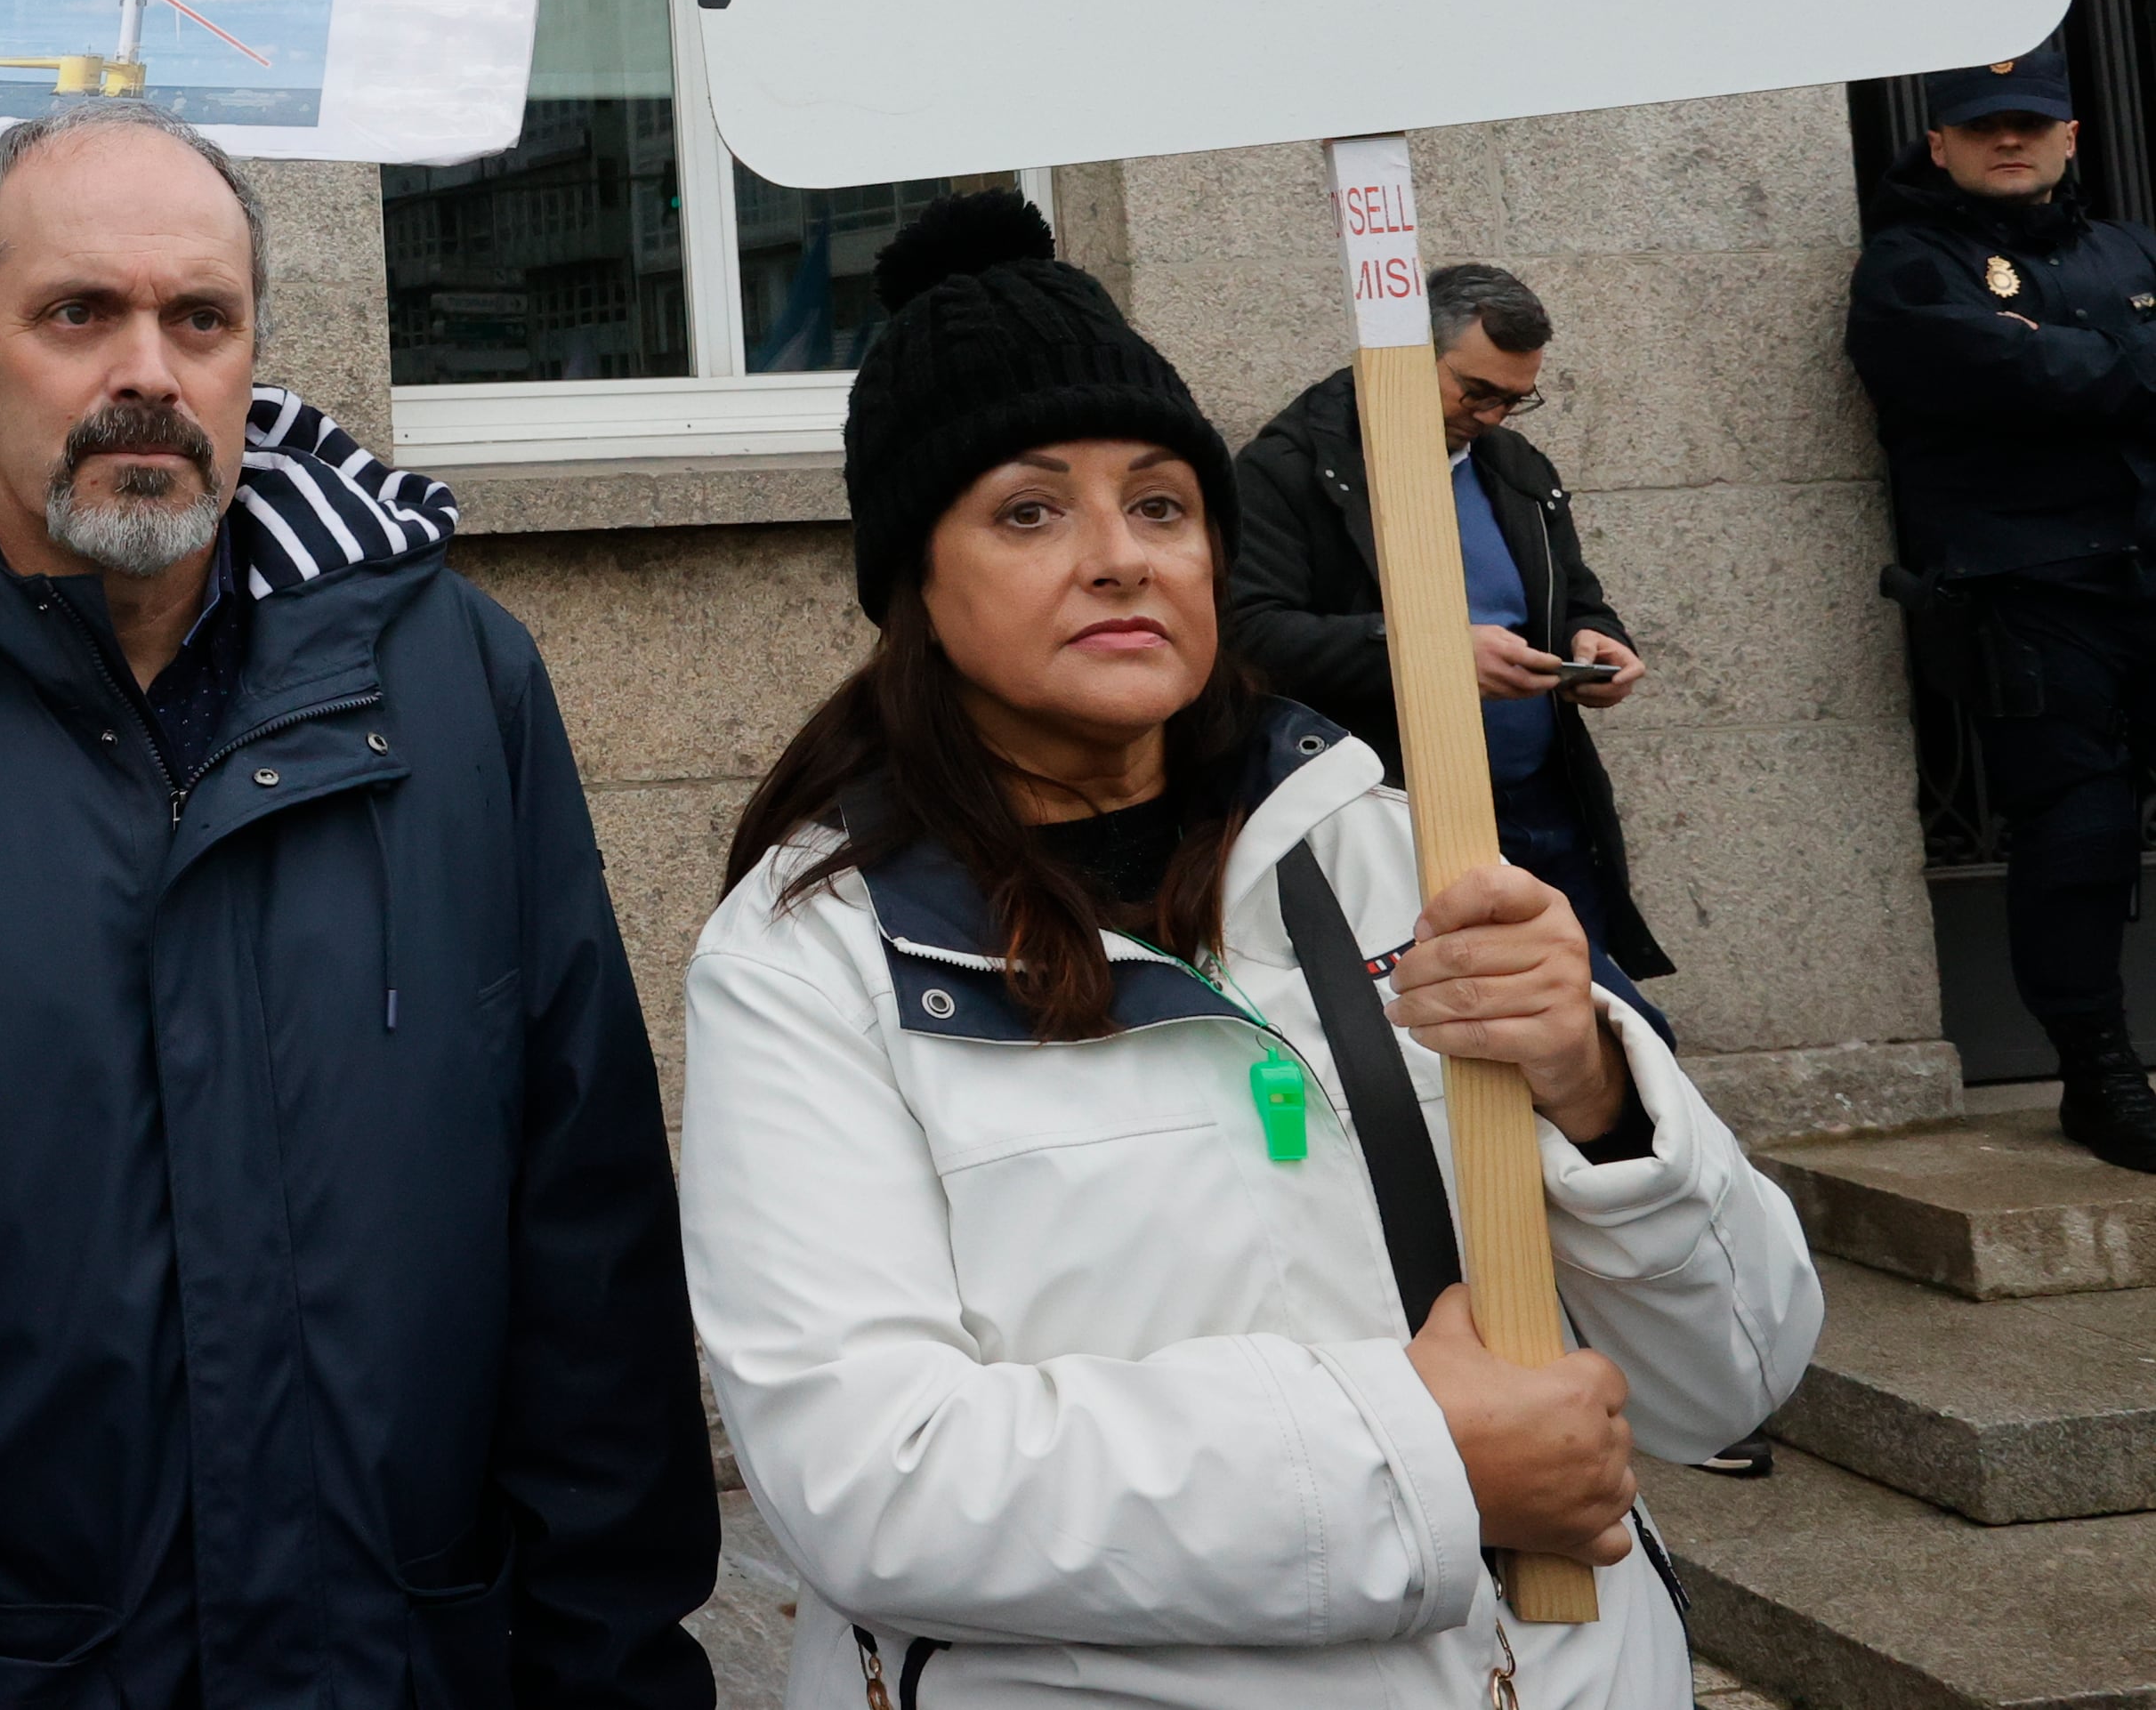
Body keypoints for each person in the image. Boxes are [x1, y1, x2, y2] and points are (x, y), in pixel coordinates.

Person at [0, 96, 715, 1710]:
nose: (147, 371)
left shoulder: (458, 699)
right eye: (78, 311)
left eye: (200, 317)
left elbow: (587, 1254)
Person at [685, 191, 1818, 1710]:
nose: (1120, 557)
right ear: (917, 586)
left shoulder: (1402, 855)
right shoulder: (810, 955)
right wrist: (1426, 1456)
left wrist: (1596, 1095)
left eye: (1162, 505)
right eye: (1030, 510)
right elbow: (872, 1477)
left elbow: (1724, 1379)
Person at [1849, 39, 2156, 1172]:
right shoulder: (1906, 266)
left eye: (2029, 123)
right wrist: (2112, 363)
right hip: (2027, 601)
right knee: (2077, 838)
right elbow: (1996, 374)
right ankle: (2098, 1077)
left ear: (2070, 135)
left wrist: (2076, 357)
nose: (2009, 141)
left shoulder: (2121, 248)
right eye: (1984, 127)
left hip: (2140, 571)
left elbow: (2056, 372)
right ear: (1940, 142)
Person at [1230, 262, 1675, 1012]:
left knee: (1605, 1021)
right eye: (1477, 392)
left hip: (1542, 802)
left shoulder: (1513, 464)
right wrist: (1429, 652)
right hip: (1394, 811)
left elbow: (1572, 591)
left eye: (1516, 398)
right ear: (1401, 354)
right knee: (1463, 1035)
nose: (1495, 416)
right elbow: (1251, 635)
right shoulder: (1286, 469)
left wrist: (1595, 638)